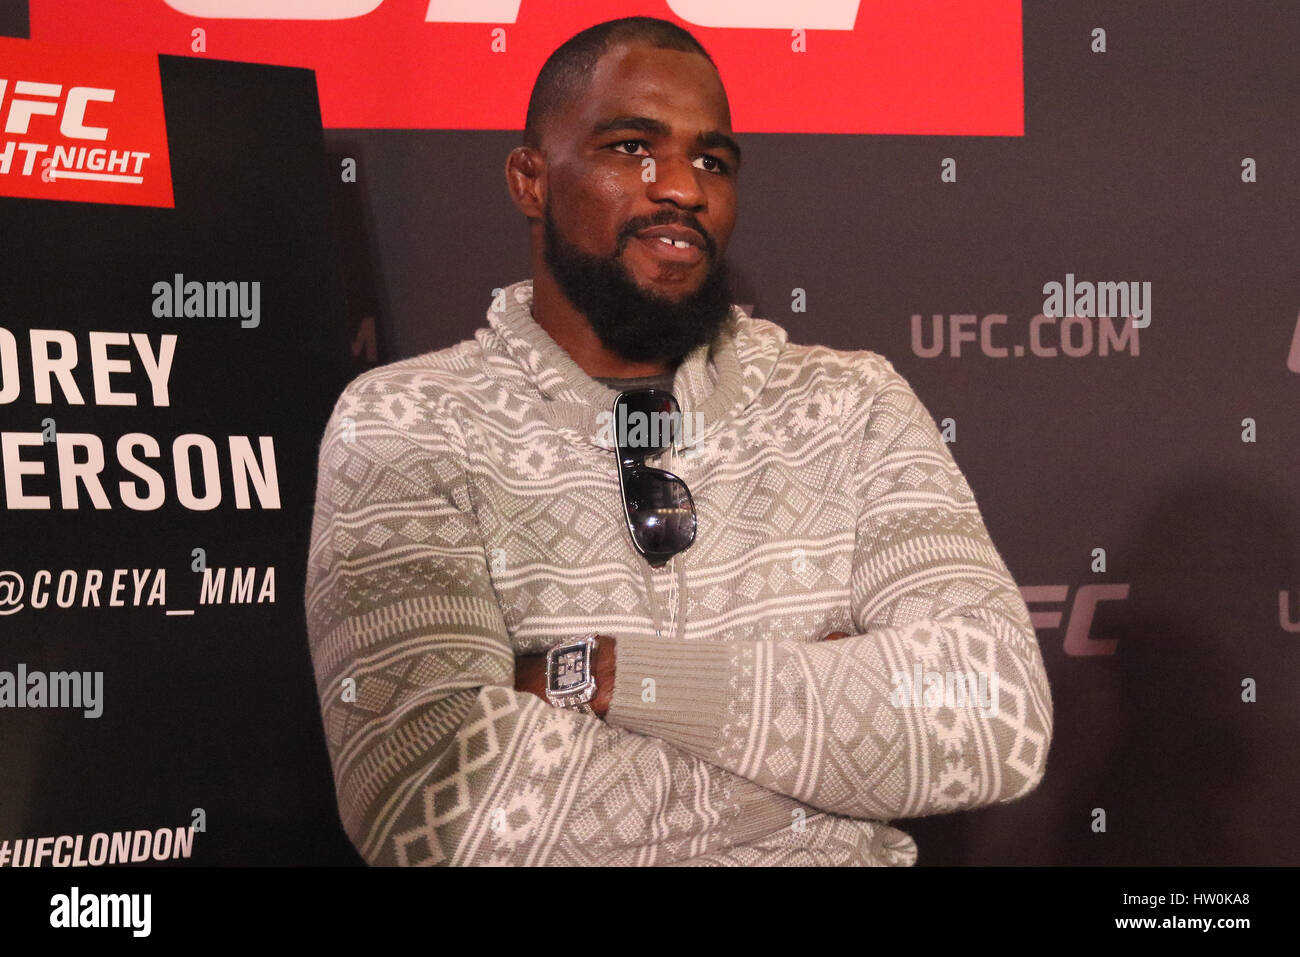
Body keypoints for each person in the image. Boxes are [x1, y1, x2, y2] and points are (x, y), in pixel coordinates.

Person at [304, 15, 1053, 866]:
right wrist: (825, 758)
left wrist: (606, 676)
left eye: (712, 161)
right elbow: (427, 802)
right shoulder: (409, 421)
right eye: (631, 148)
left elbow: (994, 715)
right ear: (529, 180)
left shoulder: (851, 402)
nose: (683, 190)